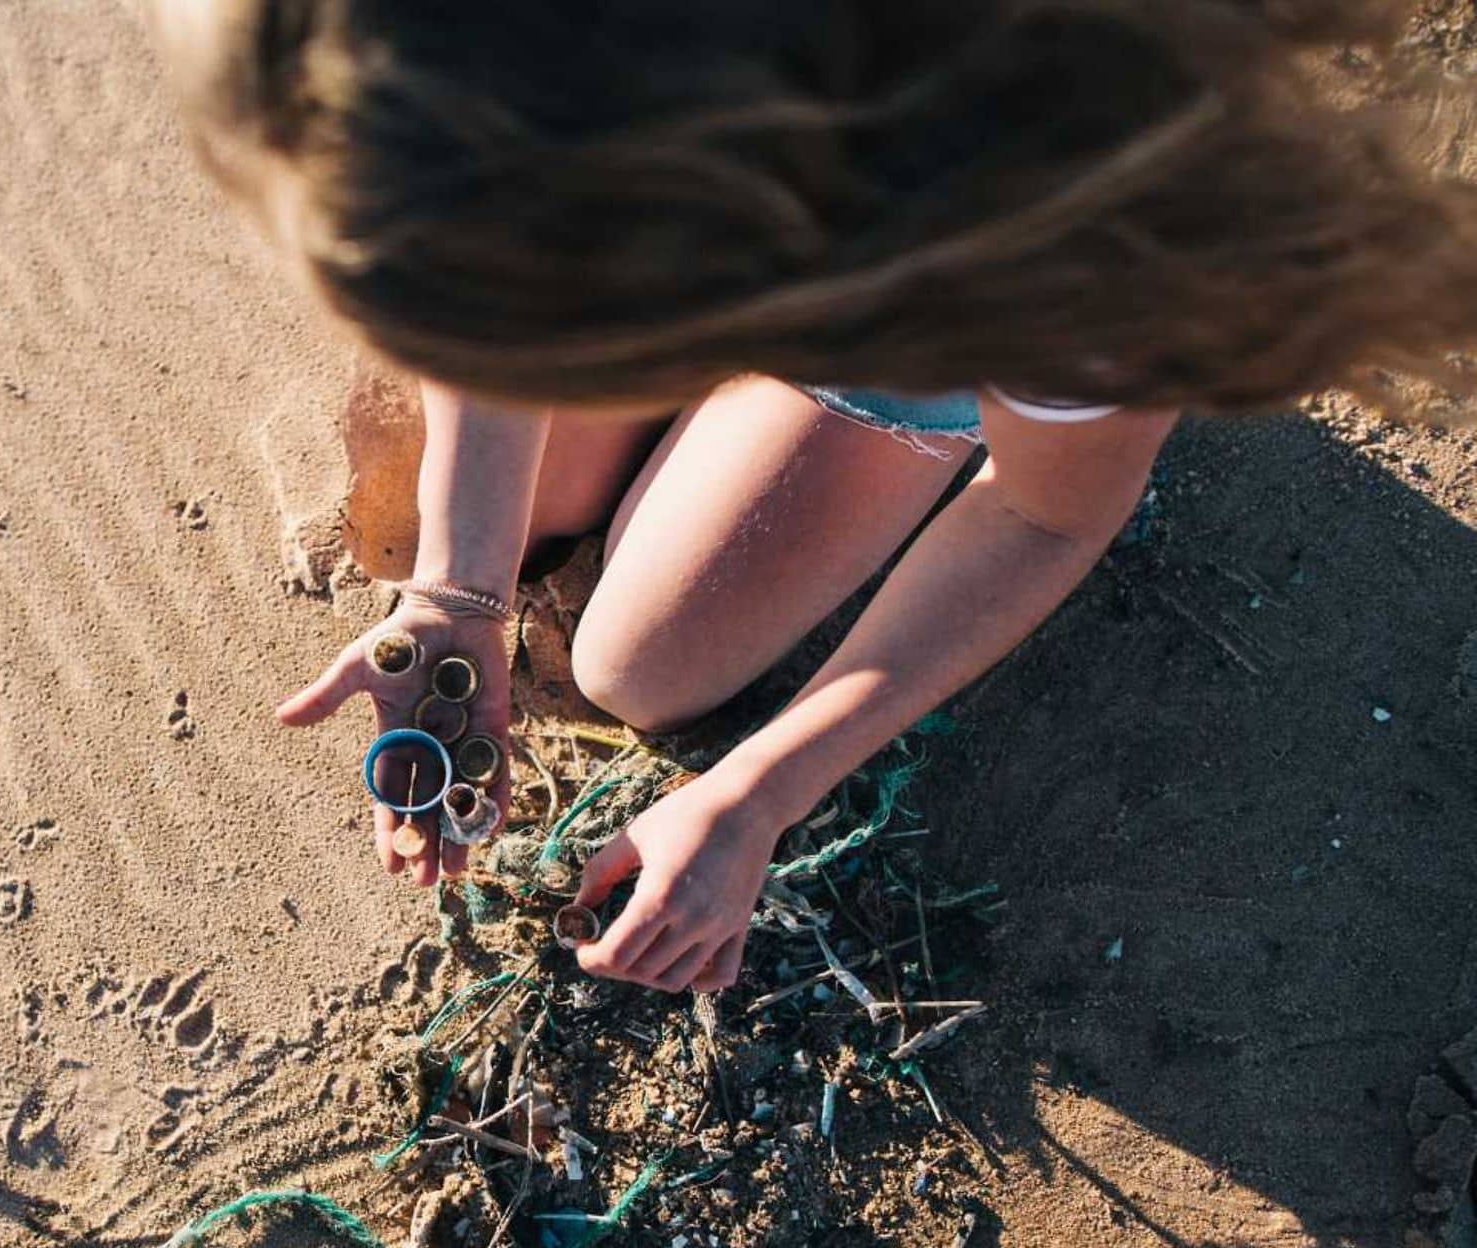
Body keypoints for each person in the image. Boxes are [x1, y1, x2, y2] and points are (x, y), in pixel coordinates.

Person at [155, 1, 1477, 994]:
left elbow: (1046, 514)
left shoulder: (1061, 239)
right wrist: (458, 586)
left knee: (643, 665)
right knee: (446, 481)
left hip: (918, 307)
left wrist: (757, 794)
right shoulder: (520, 62)